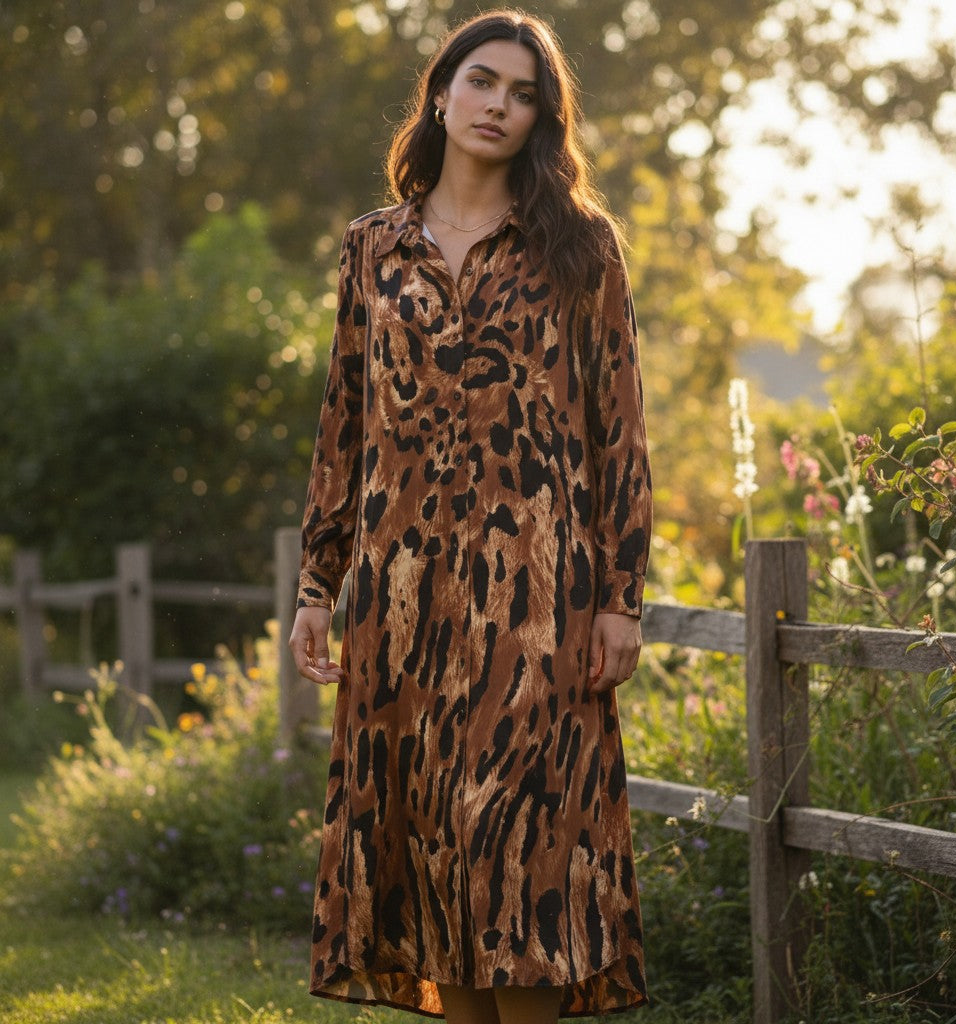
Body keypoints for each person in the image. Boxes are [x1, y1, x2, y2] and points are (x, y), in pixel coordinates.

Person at [288, 9, 652, 1023]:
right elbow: (343, 424)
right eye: (483, 81)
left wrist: (621, 598)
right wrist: (319, 584)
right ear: (440, 93)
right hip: (400, 609)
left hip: (537, 609)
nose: (499, 104)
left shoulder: (576, 245)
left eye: (524, 92)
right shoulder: (373, 248)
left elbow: (617, 430)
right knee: (434, 867)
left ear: (544, 118)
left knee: (524, 870)